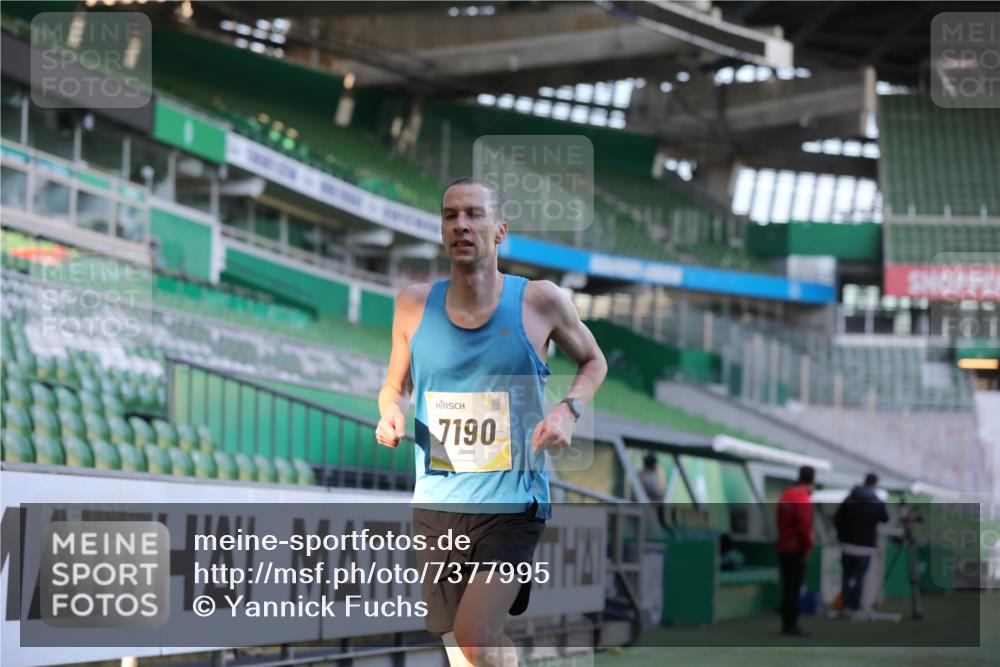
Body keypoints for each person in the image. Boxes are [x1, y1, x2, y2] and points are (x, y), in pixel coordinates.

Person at [375, 177, 607, 667]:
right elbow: (394, 385)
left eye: (474, 214)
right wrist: (389, 411)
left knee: (475, 634)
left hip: (512, 502)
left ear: (500, 232)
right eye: (450, 215)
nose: (461, 224)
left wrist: (569, 409)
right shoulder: (412, 305)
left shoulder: (539, 301)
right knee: (464, 649)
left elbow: (593, 361)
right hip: (438, 503)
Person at [834, 473, 889, 617]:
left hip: (847, 545)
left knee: (846, 578)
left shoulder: (849, 498)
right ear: (875, 484)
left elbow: (837, 518)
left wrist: (842, 536)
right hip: (866, 547)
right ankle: (855, 607)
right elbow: (885, 518)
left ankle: (846, 607)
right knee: (859, 579)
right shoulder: (876, 501)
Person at [776, 465, 815, 636]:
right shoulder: (802, 498)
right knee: (794, 587)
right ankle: (791, 625)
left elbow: (779, 520)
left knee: (787, 586)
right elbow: (804, 526)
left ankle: (786, 621)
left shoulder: (786, 495)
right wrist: (808, 547)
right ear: (812, 480)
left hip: (783, 546)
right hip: (795, 549)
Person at [637, 453, 667, 529]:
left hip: (643, 510)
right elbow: (660, 494)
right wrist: (661, 477)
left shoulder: (640, 475)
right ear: (653, 465)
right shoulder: (646, 478)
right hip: (647, 512)